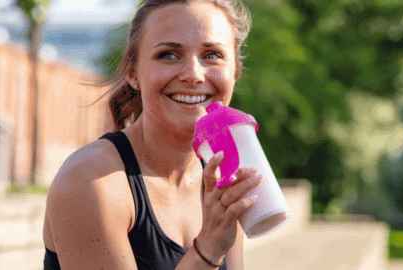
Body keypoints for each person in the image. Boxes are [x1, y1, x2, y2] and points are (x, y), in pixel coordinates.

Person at [42, 0, 262, 269]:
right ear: (133, 73)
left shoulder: (224, 173)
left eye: (212, 55)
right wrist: (207, 251)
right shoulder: (90, 181)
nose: (193, 75)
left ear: (235, 71)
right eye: (168, 54)